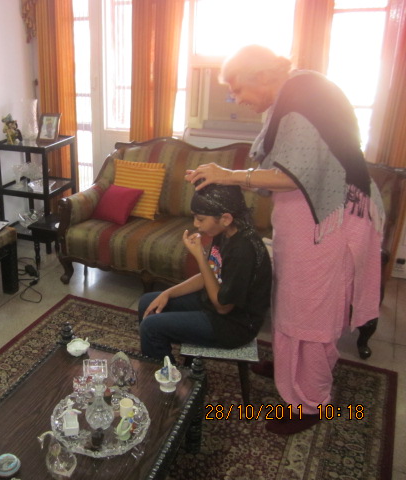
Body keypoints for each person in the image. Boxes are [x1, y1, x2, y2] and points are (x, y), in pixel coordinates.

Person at [185, 45, 384, 435]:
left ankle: (311, 402)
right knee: (293, 304)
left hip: (327, 227)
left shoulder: (300, 98)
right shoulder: (294, 95)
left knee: (312, 314)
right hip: (313, 224)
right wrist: (228, 175)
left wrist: (228, 174)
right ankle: (290, 368)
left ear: (262, 76)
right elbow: (289, 168)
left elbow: (291, 176)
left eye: (238, 88)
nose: (236, 98)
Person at [138, 183, 272, 362]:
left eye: (200, 219)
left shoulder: (243, 250)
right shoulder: (224, 232)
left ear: (225, 218)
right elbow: (208, 275)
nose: (196, 224)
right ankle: (158, 363)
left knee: (150, 327)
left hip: (233, 325)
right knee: (148, 302)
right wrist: (167, 293)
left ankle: (167, 378)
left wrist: (200, 257)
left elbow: (223, 307)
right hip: (213, 303)